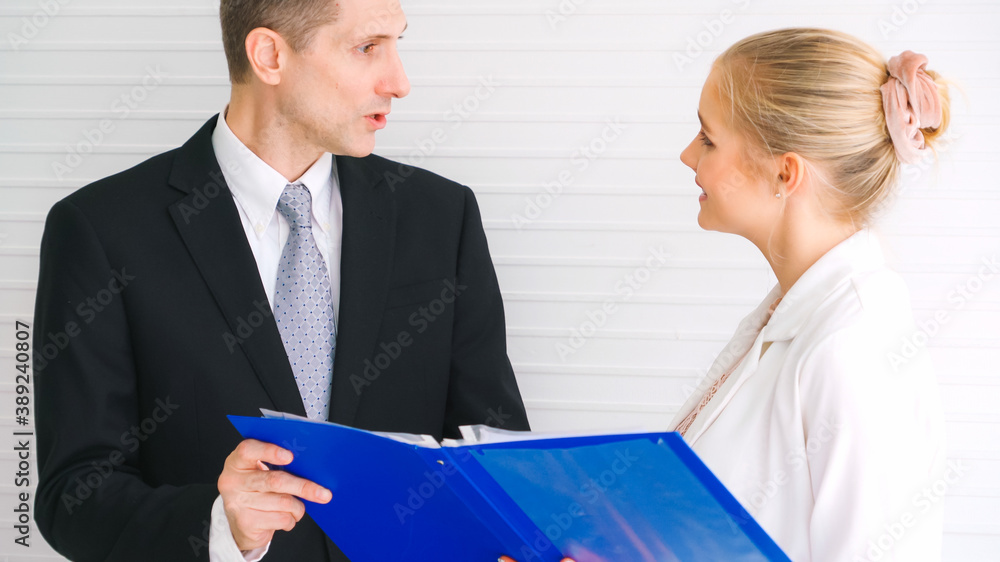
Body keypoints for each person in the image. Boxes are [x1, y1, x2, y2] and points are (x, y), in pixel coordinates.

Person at [32, 0, 529, 560]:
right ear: (269, 55)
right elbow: (72, 494)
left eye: (398, 44)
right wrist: (222, 524)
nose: (400, 82)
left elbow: (497, 457)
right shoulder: (101, 229)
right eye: (368, 47)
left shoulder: (442, 216)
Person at [505, 27, 948, 562]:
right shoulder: (789, 318)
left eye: (709, 138)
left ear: (785, 173)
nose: (689, 155)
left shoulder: (852, 348)